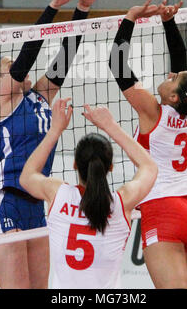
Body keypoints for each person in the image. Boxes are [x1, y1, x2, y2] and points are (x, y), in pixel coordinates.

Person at [0, 0, 106, 289]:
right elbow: (27, 57)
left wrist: (81, 9)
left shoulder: (38, 96)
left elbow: (65, 56)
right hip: (5, 203)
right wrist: (51, 9)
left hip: (36, 207)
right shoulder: (1, 102)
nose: (17, 67)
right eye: (9, 67)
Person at [108, 0, 187, 289]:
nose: (170, 74)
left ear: (173, 97)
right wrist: (168, 22)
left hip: (164, 209)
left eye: (175, 78)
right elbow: (180, 59)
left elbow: (117, 64)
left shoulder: (152, 111)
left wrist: (130, 16)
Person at [20, 100, 158, 289]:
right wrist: (111, 126)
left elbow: (26, 177)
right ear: (110, 167)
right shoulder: (122, 202)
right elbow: (149, 166)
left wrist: (55, 130)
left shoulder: (57, 193)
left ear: (75, 165)